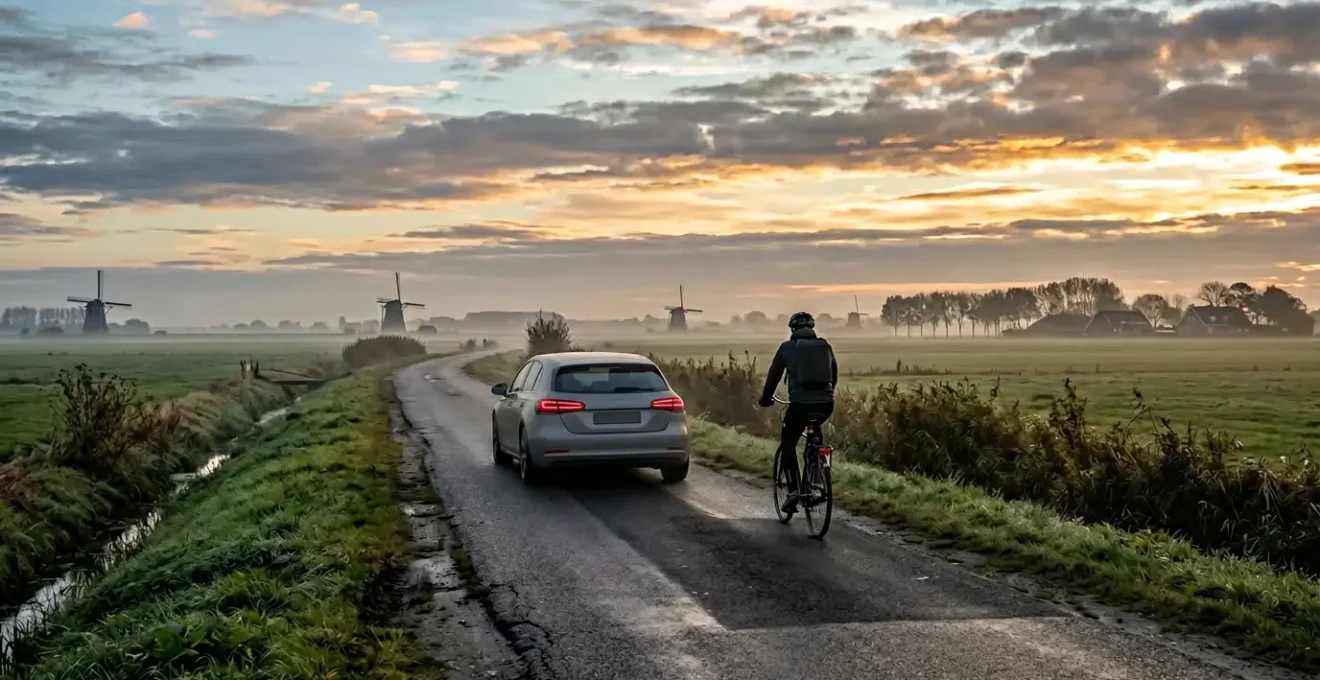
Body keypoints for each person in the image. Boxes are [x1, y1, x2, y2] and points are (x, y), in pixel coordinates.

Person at [757, 311, 838, 515]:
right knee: (815, 432)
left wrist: (766, 398)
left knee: (788, 442)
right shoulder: (825, 346)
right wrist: (825, 395)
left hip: (800, 405)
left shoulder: (786, 348)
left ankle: (793, 491)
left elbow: (774, 376)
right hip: (826, 404)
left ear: (792, 329)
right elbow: (833, 375)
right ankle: (817, 476)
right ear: (812, 329)